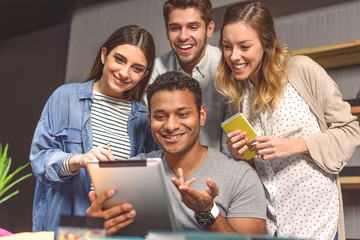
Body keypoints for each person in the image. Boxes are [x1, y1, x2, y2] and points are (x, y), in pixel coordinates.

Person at [214, 2, 360, 240]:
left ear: (267, 44)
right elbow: (261, 167)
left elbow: (351, 130)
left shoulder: (302, 70)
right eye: (227, 47)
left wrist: (295, 145)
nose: (234, 56)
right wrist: (242, 155)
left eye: (244, 46)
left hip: (318, 224)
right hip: (273, 226)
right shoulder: (239, 97)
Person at [86, 71, 267, 235]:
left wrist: (207, 211)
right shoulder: (130, 173)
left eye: (182, 114)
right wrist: (92, 229)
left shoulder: (241, 176)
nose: (171, 126)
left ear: (201, 115)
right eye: (160, 116)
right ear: (149, 119)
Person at [29, 25, 158, 233]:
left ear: (145, 74)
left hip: (117, 230)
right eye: (120, 59)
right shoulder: (65, 97)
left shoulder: (145, 118)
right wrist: (78, 160)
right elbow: (39, 160)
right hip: (69, 226)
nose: (124, 73)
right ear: (104, 54)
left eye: (137, 68)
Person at [148, 0, 227, 151]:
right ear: (167, 31)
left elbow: (231, 141)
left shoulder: (227, 67)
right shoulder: (153, 72)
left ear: (209, 29)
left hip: (218, 168)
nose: (183, 36)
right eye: (175, 28)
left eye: (193, 27)